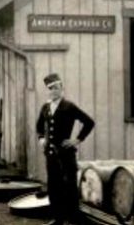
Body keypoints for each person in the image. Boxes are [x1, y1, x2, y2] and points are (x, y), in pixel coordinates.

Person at [36, 73, 94, 225]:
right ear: (47, 91)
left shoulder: (69, 107)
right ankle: (58, 218)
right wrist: (41, 138)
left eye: (56, 88)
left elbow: (89, 122)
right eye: (50, 88)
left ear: (62, 88)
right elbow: (39, 126)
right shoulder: (45, 107)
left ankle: (73, 218)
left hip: (66, 154)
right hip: (50, 154)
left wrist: (77, 140)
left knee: (69, 186)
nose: (53, 91)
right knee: (53, 186)